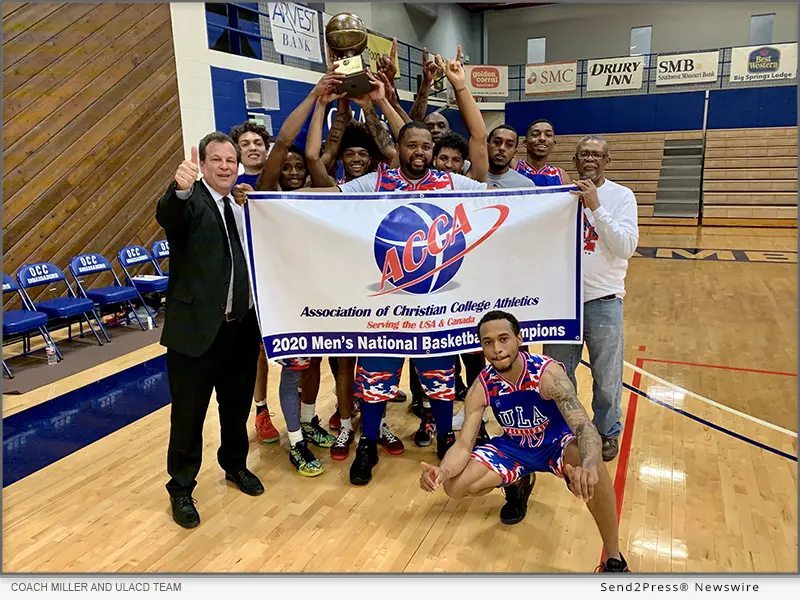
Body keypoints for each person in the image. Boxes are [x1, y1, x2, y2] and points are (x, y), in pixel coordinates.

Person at [300, 121, 486, 485]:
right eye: (412, 145)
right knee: (374, 380)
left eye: (426, 146)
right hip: (384, 306)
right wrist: (266, 199)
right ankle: (367, 443)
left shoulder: (450, 183)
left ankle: (446, 439)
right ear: (398, 148)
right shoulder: (376, 181)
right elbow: (328, 194)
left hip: (435, 303)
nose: (420, 152)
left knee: (441, 381)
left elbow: (497, 197)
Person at [419, 310, 630, 572]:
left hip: (557, 446)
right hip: (515, 448)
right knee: (454, 487)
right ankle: (518, 481)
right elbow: (463, 444)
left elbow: (585, 427)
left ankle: (613, 558)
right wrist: (443, 470)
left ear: (519, 339)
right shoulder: (482, 385)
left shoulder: (547, 375)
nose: (496, 349)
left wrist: (587, 465)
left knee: (594, 469)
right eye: (488, 342)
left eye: (504, 339)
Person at [157, 133, 264, 529]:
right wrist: (179, 189)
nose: (224, 166)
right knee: (188, 416)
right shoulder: (190, 201)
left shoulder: (240, 203)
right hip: (196, 333)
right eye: (215, 159)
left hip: (240, 330)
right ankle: (181, 488)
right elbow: (169, 216)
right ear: (201, 164)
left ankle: (235, 466)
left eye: (230, 160)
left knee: (235, 410)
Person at [542, 135, 638, 462]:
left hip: (603, 300)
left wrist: (596, 206)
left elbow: (625, 246)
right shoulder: (559, 197)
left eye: (597, 154)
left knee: (606, 375)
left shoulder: (621, 196)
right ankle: (565, 427)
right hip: (561, 301)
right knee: (558, 373)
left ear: (607, 161)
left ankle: (607, 430)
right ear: (576, 159)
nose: (590, 159)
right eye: (584, 153)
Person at [229, 120, 279, 445]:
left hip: (283, 274)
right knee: (257, 352)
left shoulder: (280, 180)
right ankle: (260, 410)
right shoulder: (229, 188)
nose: (252, 147)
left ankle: (305, 412)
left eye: (257, 142)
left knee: (298, 350)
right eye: (245, 143)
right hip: (250, 280)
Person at [512, 119, 572, 186]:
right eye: (535, 134)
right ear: (525, 143)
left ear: (553, 144)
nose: (542, 138)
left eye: (548, 135)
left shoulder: (561, 175)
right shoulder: (514, 167)